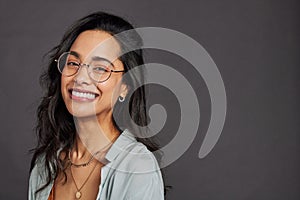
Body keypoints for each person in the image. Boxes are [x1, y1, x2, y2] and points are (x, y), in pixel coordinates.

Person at [29, 11, 165, 200]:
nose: (80, 78)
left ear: (125, 87)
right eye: (74, 63)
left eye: (100, 68)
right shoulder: (46, 165)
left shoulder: (137, 166)